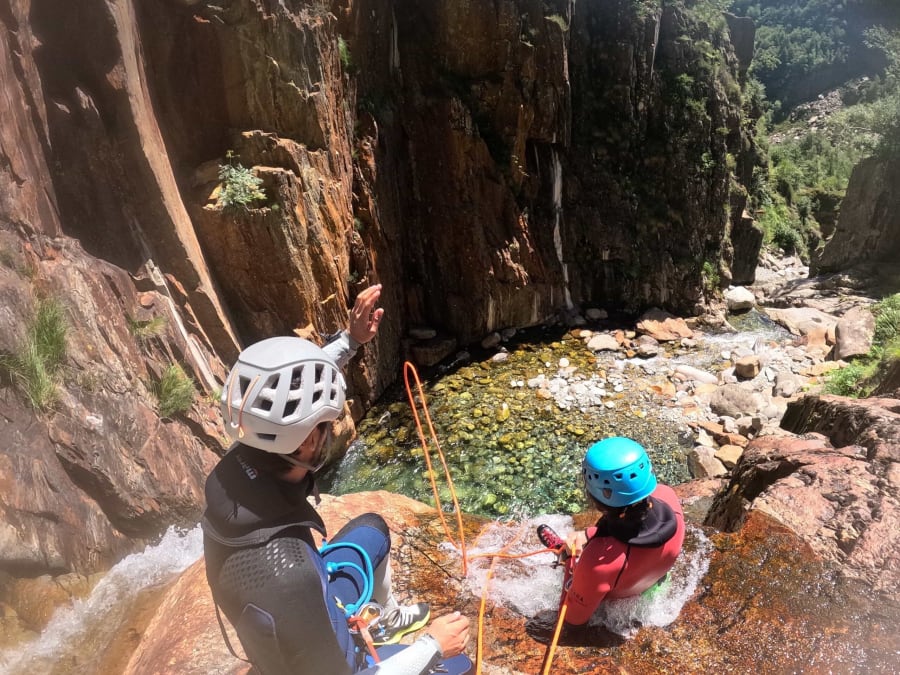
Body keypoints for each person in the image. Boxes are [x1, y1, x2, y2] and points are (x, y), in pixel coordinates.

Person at [202, 284, 471, 674]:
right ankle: (385, 647)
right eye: (326, 425)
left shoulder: (241, 456)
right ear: (309, 439)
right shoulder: (289, 577)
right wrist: (431, 646)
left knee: (372, 529)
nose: (331, 431)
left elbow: (285, 396)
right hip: (323, 645)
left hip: (312, 607)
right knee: (461, 664)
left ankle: (387, 622)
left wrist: (350, 340)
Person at [540, 436, 685, 626]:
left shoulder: (599, 561)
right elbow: (633, 526)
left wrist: (571, 563)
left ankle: (564, 553)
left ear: (597, 497)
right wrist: (589, 534)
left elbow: (572, 618)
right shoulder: (667, 495)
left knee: (572, 561)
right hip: (653, 584)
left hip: (611, 597)